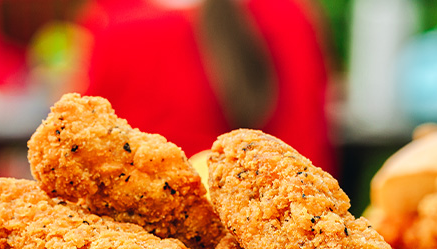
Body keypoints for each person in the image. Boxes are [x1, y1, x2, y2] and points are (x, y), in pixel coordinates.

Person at [73, 0, 337, 174]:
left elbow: (81, 147)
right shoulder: (286, 15)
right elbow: (307, 159)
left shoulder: (110, 25)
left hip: (132, 240)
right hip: (255, 230)